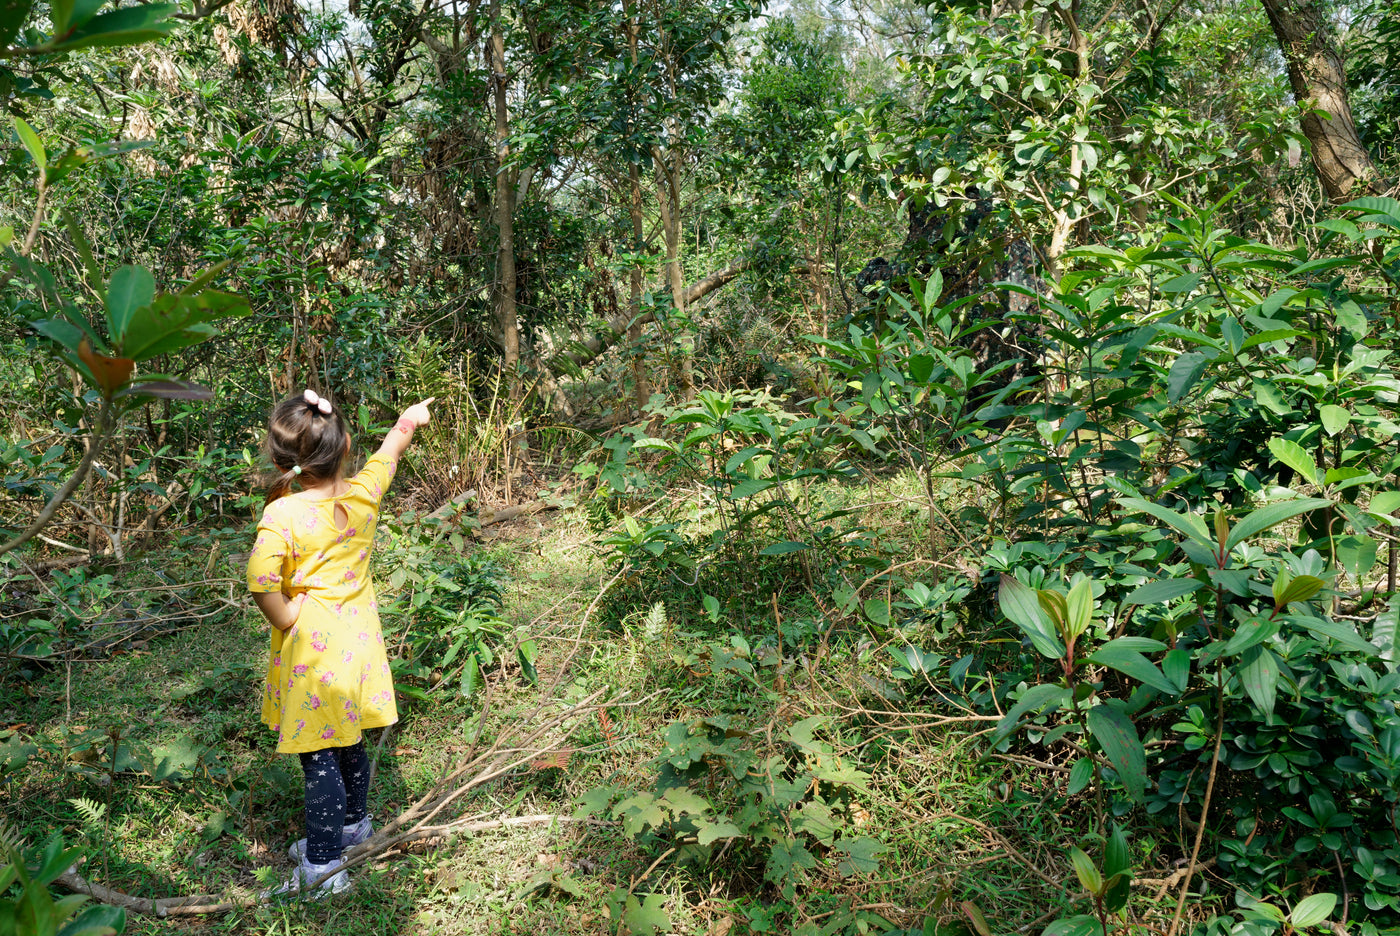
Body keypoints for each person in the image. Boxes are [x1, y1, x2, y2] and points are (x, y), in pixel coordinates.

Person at [246, 388, 433, 897]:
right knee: (347, 735)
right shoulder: (362, 493)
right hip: (360, 644)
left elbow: (260, 581)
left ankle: (324, 869)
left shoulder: (282, 516)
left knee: (318, 754)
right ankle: (354, 827)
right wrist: (408, 419)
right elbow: (390, 451)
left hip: (315, 654)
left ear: (283, 458)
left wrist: (286, 617)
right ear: (344, 445)